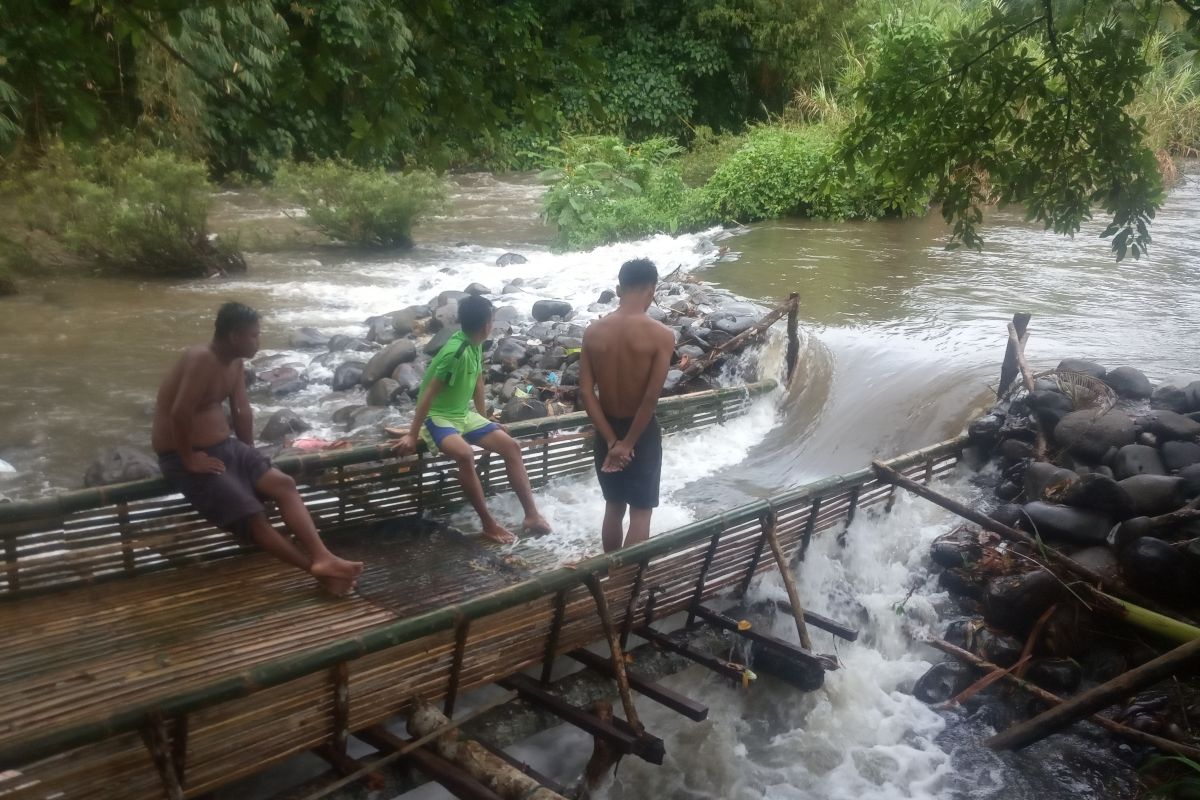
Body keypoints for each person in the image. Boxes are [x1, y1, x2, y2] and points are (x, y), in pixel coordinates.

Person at [152, 302, 363, 595]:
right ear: (233, 336)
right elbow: (180, 412)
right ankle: (315, 569)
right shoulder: (200, 358)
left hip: (227, 447)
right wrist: (189, 459)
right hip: (185, 455)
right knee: (252, 514)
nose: (258, 341)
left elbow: (241, 410)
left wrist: (249, 453)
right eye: (253, 335)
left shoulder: (235, 362)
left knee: (283, 483)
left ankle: (323, 556)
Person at [392, 294, 551, 543]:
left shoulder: (474, 344)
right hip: (439, 416)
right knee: (465, 454)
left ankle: (532, 515)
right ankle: (489, 525)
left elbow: (478, 382)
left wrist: (484, 418)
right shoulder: (456, 351)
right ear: (487, 325)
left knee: (511, 446)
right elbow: (427, 396)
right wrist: (412, 434)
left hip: (463, 414)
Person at [579, 258, 675, 552]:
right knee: (641, 512)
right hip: (640, 433)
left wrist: (612, 441)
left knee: (614, 507)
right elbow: (650, 398)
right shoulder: (661, 335)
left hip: (606, 429)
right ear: (651, 290)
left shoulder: (593, 332)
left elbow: (586, 392)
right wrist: (628, 443)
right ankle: (627, 584)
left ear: (618, 289)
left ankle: (611, 575)